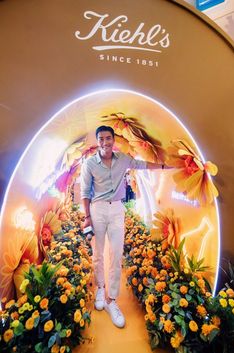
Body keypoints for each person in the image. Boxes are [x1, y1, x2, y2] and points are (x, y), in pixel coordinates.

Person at [80, 125, 166, 328]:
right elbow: (85, 192)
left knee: (116, 254)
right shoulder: (90, 164)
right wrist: (86, 217)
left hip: (117, 210)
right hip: (97, 209)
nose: (104, 142)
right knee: (98, 253)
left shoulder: (124, 159)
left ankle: (112, 300)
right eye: (100, 139)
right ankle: (100, 287)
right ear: (97, 141)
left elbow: (142, 164)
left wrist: (164, 166)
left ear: (113, 140)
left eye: (108, 138)